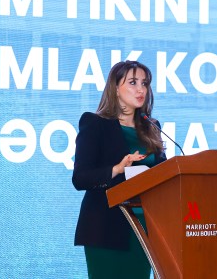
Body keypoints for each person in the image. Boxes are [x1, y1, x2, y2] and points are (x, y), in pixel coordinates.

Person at [72, 60, 166, 278]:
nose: (141, 89)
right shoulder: (95, 123)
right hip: (106, 228)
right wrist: (117, 168)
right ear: (115, 88)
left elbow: (164, 173)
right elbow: (80, 178)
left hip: (144, 229)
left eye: (144, 83)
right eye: (133, 82)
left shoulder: (152, 127)